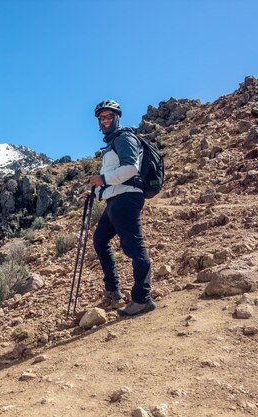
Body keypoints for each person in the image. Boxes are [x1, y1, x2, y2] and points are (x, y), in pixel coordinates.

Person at [89, 99, 155, 317]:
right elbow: (113, 182)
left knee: (134, 247)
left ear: (117, 117)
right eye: (102, 117)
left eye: (109, 116)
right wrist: (97, 191)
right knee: (100, 240)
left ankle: (142, 299)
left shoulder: (124, 137)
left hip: (126, 199)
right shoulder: (112, 142)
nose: (105, 120)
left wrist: (102, 178)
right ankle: (113, 290)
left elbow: (130, 169)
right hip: (116, 199)